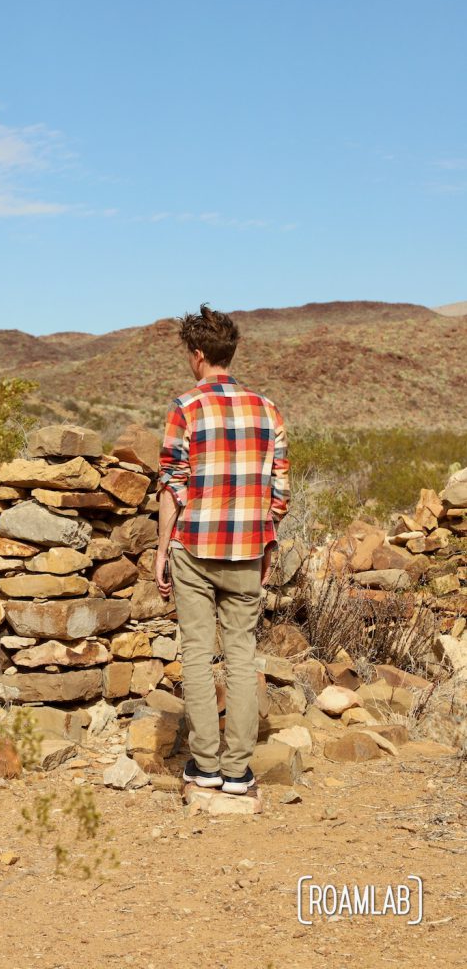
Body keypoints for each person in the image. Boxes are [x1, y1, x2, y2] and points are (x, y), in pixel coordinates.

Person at [155, 304, 290, 795]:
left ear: (197, 355)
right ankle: (238, 771)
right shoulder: (267, 409)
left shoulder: (185, 408)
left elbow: (173, 486)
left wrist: (159, 552)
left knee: (195, 654)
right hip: (248, 547)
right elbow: (279, 495)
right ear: (228, 353)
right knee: (241, 655)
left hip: (194, 544)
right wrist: (267, 548)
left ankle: (205, 765)